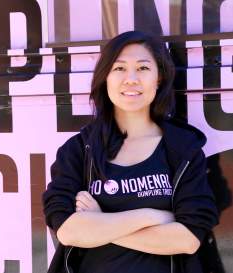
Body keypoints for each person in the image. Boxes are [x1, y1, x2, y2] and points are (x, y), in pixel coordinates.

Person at [42, 30, 219, 273]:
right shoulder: (79, 150)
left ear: (159, 78)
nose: (131, 79)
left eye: (143, 68)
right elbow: (68, 231)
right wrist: (152, 216)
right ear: (106, 77)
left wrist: (99, 221)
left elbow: (187, 240)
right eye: (119, 68)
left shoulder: (182, 149)